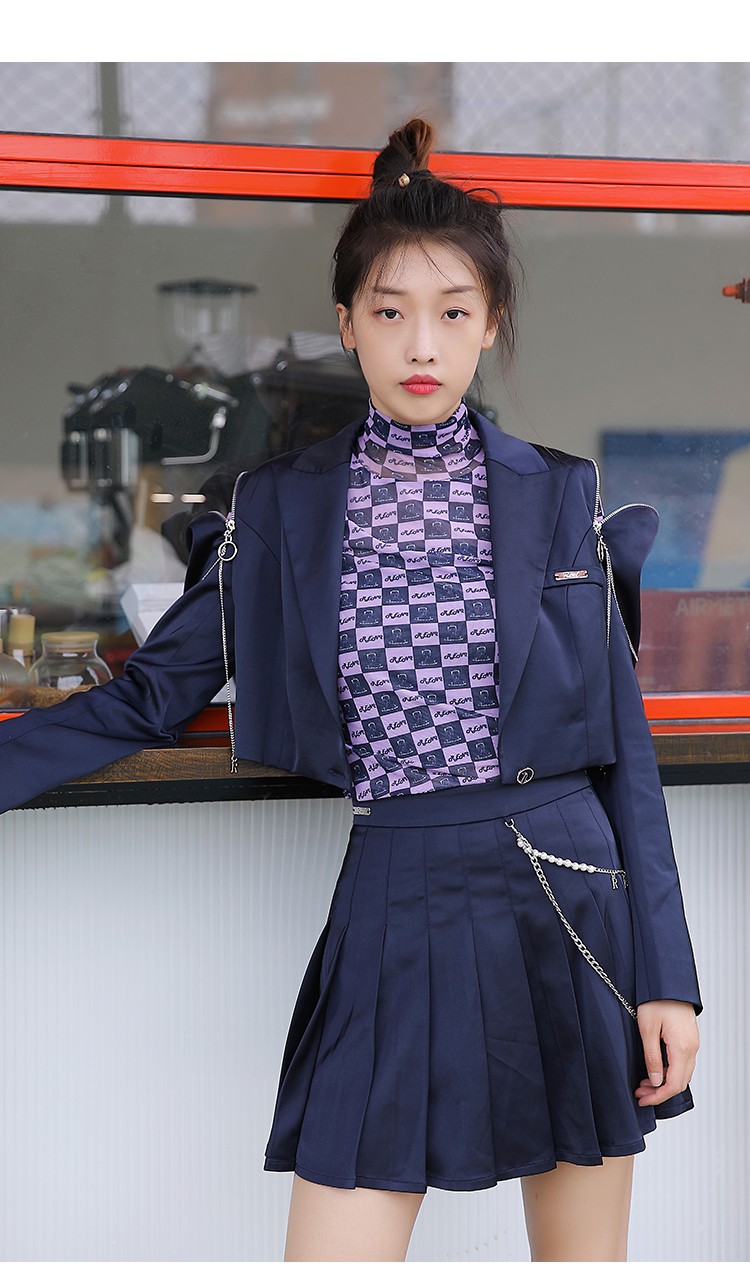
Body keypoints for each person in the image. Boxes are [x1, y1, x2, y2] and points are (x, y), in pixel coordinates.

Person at [0, 117, 701, 1263]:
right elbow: (148, 700)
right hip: (393, 891)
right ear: (347, 323)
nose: (422, 344)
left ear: (490, 324)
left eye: (453, 313)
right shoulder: (278, 507)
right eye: (390, 312)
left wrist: (671, 981)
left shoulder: (561, 495)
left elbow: (627, 755)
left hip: (568, 894)